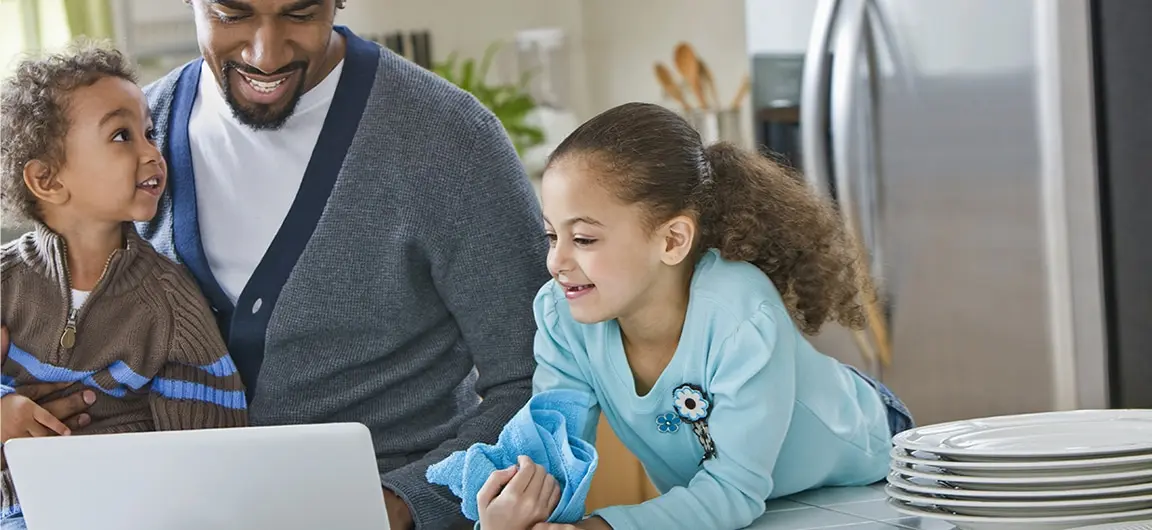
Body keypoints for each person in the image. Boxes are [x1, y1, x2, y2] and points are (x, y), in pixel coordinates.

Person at [0, 1, 547, 528]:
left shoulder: (451, 142)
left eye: (301, 13)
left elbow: (541, 388)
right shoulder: (128, 139)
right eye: (231, 13)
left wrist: (403, 503)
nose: (266, 54)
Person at [475, 102, 914, 530]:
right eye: (552, 235)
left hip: (868, 452)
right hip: (750, 500)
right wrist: (512, 514)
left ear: (672, 240)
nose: (557, 261)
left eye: (585, 238)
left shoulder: (740, 314)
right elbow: (554, 456)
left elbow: (733, 491)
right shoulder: (561, 316)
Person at [0, 44, 248, 529]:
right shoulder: (5, 282)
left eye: (149, 133)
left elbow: (210, 454)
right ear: (47, 180)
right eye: (121, 135)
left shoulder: (171, 303)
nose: (152, 152)